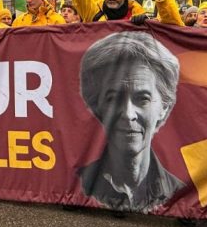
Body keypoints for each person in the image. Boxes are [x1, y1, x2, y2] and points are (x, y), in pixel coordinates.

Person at [78, 32, 184, 214]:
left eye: (142, 99)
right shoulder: (76, 184)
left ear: (164, 107)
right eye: (113, 98)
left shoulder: (180, 193)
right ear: (96, 105)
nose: (128, 114)